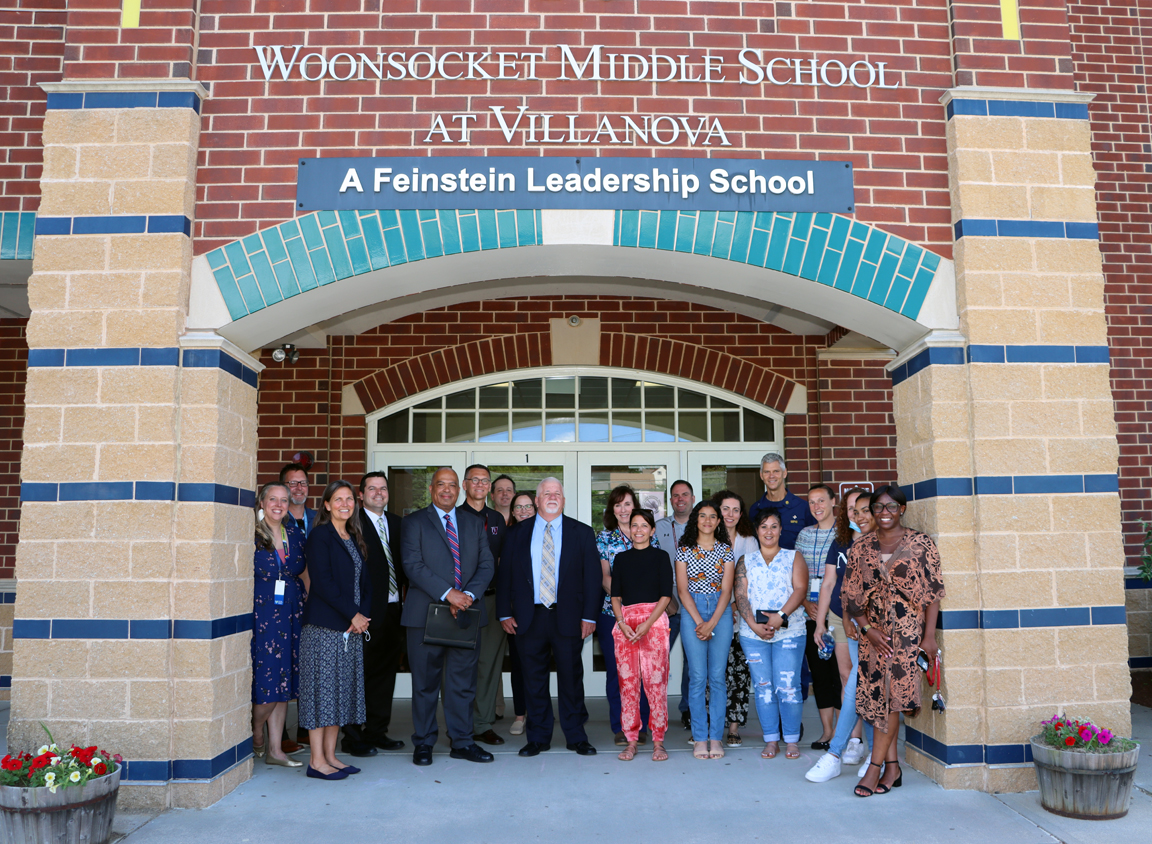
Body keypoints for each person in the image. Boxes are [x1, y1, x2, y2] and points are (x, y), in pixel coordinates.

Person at [844, 484, 944, 798]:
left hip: (907, 634)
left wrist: (929, 637)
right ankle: (893, 767)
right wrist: (865, 629)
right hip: (874, 635)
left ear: (902, 509)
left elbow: (934, 593)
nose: (884, 513)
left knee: (893, 697)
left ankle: (875, 769)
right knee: (880, 699)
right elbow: (850, 594)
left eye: (891, 507)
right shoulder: (861, 546)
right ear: (872, 511)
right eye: (878, 507)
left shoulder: (920, 543)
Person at [497, 477, 601, 757]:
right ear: (537, 501)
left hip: (568, 617)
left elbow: (592, 578)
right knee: (534, 679)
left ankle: (576, 736)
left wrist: (590, 617)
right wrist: (504, 612)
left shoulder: (581, 532)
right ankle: (538, 737)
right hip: (528, 618)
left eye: (557, 493)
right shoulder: (517, 533)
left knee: (571, 679)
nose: (552, 497)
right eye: (547, 493)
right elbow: (505, 574)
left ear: (563, 500)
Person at [401, 468, 496, 766]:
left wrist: (467, 596)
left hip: (464, 616)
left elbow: (486, 565)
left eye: (452, 485)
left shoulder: (473, 522)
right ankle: (425, 742)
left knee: (462, 683)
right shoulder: (414, 522)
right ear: (431, 489)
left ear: (460, 489)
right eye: (441, 484)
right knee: (425, 683)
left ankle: (462, 741)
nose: (446, 490)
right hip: (425, 617)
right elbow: (412, 565)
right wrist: (448, 594)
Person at [298, 481, 373, 781]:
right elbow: (324, 583)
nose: (345, 503)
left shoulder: (354, 536)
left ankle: (331, 756)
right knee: (321, 695)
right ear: (326, 505)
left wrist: (362, 616)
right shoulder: (320, 536)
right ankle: (316, 761)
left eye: (349, 499)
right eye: (337, 499)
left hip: (350, 629)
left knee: (340, 695)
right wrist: (353, 614)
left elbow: (365, 583)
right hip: (324, 629)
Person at [807, 489, 875, 783]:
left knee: (866, 685)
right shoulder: (842, 542)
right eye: (851, 509)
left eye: (861, 509)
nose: (856, 514)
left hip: (873, 624)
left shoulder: (882, 541)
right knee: (851, 681)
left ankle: (869, 752)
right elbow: (829, 584)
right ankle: (855, 742)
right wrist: (821, 622)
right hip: (844, 617)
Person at [340, 472, 406, 757]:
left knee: (384, 675)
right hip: (363, 614)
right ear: (361, 494)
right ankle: (353, 737)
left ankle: (378, 731)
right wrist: (353, 612)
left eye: (383, 488)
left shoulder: (398, 523)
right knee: (359, 675)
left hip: (393, 612)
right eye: (372, 489)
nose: (378, 493)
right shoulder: (352, 524)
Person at [734, 508, 809, 760]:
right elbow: (741, 595)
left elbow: (800, 590)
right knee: (764, 687)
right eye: (764, 526)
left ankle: (791, 740)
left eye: (774, 526)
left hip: (790, 631)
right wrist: (753, 625)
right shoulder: (746, 560)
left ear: (780, 529)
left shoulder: (793, 557)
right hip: (753, 634)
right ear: (756, 530)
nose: (769, 531)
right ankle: (770, 740)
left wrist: (780, 617)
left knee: (787, 686)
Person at [595, 485, 657, 746]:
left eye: (628, 504)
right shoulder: (604, 538)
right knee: (617, 672)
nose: (623, 509)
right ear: (612, 509)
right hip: (612, 615)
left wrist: (638, 608)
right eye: (618, 504)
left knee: (642, 673)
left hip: (645, 616)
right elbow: (605, 578)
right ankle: (621, 726)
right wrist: (625, 607)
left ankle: (641, 725)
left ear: (635, 507)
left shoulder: (647, 536)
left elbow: (653, 576)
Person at [610, 510, 673, 763]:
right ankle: (631, 740)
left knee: (656, 683)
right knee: (628, 685)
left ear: (652, 530)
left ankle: (658, 741)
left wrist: (648, 623)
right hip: (626, 624)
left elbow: (665, 595)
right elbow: (615, 596)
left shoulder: (661, 557)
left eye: (644, 525)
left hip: (654, 623)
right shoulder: (621, 559)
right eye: (634, 525)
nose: (638, 530)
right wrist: (622, 623)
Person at [251, 481, 306, 769]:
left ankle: (275, 750)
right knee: (268, 679)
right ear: (262, 502)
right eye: (272, 499)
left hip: (291, 613)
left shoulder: (294, 532)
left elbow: (303, 572)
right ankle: (256, 728)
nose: (279, 504)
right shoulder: (250, 534)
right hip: (263, 616)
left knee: (284, 680)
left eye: (284, 500)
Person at [675, 501, 735, 760]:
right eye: (703, 516)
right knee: (698, 677)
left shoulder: (726, 550)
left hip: (721, 613)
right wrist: (700, 620)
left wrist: (712, 622)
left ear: (719, 522)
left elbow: (727, 590)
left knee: (718, 678)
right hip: (692, 611)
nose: (708, 520)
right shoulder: (683, 550)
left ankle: (715, 738)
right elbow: (681, 590)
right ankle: (700, 737)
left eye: (713, 516)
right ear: (695, 520)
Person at [458, 464, 508, 746]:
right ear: (465, 485)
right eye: (474, 480)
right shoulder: (454, 516)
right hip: (461, 602)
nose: (479, 484)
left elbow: (501, 561)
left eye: (484, 480)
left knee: (489, 664)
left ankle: (483, 723)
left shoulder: (497, 519)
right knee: (461, 666)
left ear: (489, 487)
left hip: (491, 599)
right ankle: (460, 722)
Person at [794, 484, 843, 750]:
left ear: (833, 502)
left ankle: (843, 731)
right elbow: (797, 575)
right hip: (810, 614)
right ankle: (827, 731)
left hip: (837, 614)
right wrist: (804, 603)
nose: (816, 506)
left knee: (840, 674)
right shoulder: (803, 534)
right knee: (820, 674)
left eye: (821, 500)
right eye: (812, 502)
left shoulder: (845, 532)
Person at [713, 490, 756, 747]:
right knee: (714, 674)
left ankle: (733, 727)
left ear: (741, 514)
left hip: (740, 616)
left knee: (739, 674)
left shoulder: (749, 541)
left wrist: (734, 604)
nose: (730, 514)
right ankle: (711, 726)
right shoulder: (705, 538)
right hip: (713, 616)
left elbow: (749, 580)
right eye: (725, 509)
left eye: (735, 510)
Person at [655, 480, 693, 731]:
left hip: (696, 603)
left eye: (684, 495)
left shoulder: (704, 524)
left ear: (692, 498)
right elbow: (651, 565)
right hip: (667, 604)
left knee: (693, 661)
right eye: (675, 496)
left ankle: (689, 709)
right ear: (671, 500)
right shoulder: (659, 527)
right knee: (658, 659)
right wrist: (665, 599)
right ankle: (654, 710)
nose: (680, 499)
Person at [504, 491, 537, 737]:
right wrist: (505, 612)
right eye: (519, 507)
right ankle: (520, 714)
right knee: (519, 665)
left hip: (547, 613)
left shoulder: (547, 534)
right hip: (519, 613)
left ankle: (539, 713)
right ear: (512, 512)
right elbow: (503, 577)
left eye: (528, 506)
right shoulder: (509, 537)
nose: (524, 511)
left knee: (542, 666)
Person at [747, 452, 815, 549]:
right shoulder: (755, 509)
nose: (771, 476)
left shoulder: (803, 508)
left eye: (776, 471)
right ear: (761, 475)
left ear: (785, 473)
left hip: (796, 563)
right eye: (767, 472)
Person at [281, 463, 318, 537]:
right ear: (282, 487)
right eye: (293, 483)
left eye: (303, 483)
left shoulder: (319, 519)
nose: (299, 488)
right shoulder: (277, 519)